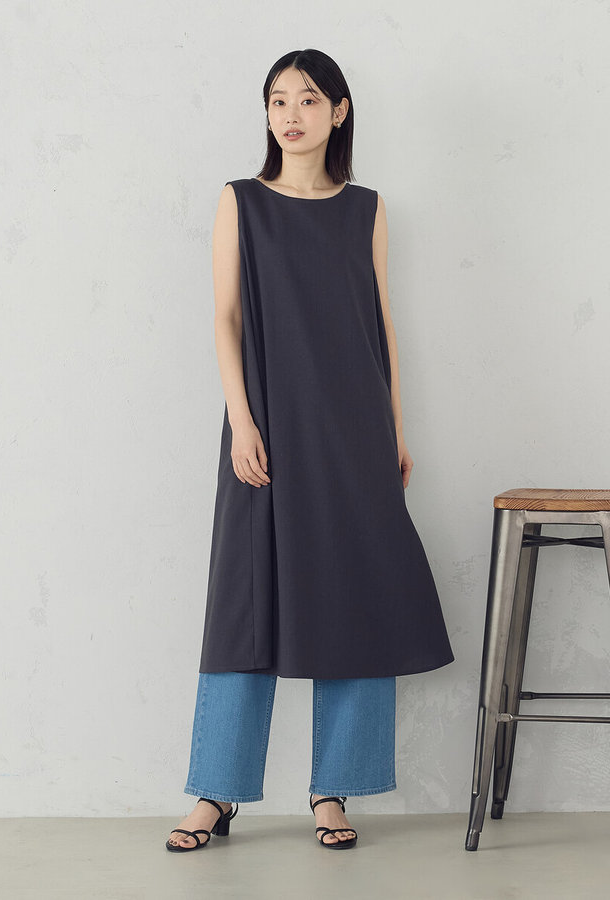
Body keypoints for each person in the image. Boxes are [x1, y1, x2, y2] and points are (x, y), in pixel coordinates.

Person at [166, 48, 455, 853]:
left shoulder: (367, 207)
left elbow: (379, 322)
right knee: (244, 602)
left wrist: (396, 430)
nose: (291, 114)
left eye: (308, 99)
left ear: (339, 110)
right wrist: (241, 419)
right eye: (278, 100)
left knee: (354, 596)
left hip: (355, 429)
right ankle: (215, 793)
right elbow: (226, 316)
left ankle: (335, 791)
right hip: (266, 427)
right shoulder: (242, 201)